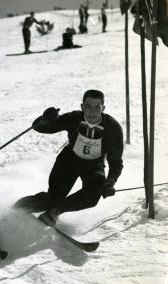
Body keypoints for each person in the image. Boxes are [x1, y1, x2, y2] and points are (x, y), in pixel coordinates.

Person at [14, 90, 124, 227]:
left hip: (94, 165)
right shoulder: (74, 118)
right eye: (88, 106)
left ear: (103, 108)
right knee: (53, 198)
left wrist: (110, 182)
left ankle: (54, 213)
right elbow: (40, 128)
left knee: (93, 195)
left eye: (97, 107)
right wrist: (45, 119)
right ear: (82, 107)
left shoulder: (112, 128)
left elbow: (116, 162)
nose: (92, 111)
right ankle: (12, 211)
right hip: (69, 161)